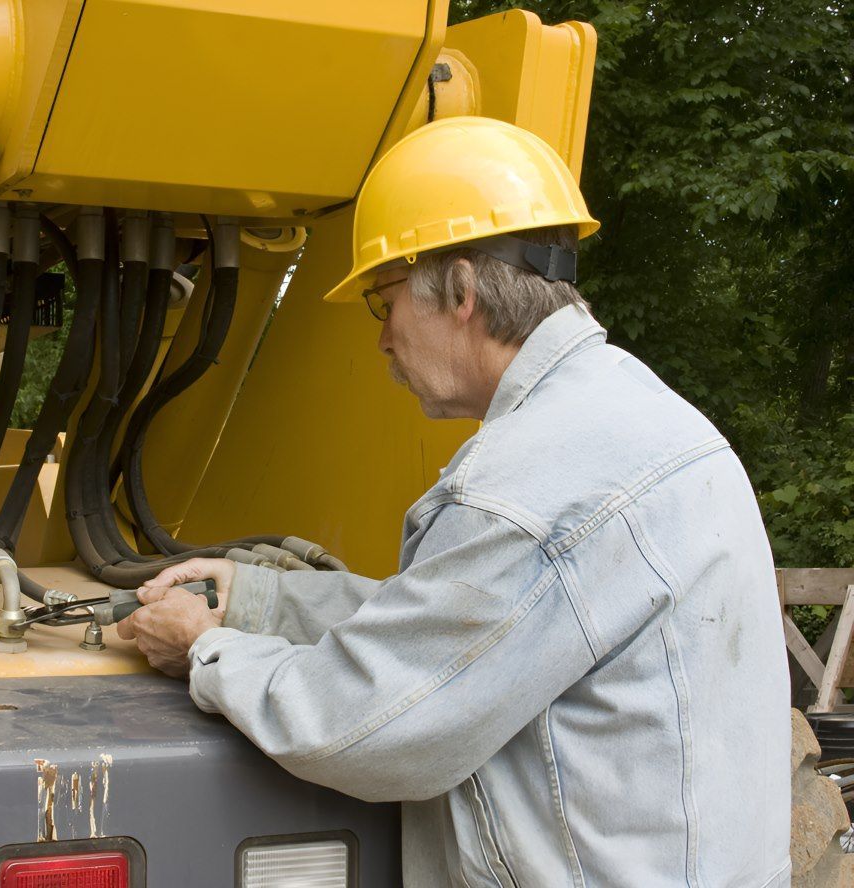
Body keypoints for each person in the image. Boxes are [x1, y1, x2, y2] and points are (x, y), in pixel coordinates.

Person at [116, 117, 790, 886]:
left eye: (384, 302)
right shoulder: (640, 419)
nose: (382, 340)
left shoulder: (524, 487)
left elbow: (368, 722)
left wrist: (206, 647)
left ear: (462, 291)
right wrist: (257, 599)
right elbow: (473, 638)